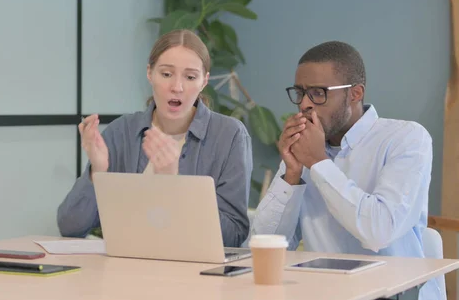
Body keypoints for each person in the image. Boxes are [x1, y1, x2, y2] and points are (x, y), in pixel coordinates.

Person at [250, 41, 438, 299]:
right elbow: (262, 246)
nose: (304, 104)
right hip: (325, 293)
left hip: (395, 293)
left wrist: (318, 164)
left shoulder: (406, 138)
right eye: (300, 92)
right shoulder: (305, 149)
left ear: (355, 93)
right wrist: (291, 174)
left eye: (318, 93)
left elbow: (378, 232)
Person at [57, 29, 253, 248]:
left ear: (204, 81)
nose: (177, 87)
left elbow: (233, 235)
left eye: (190, 77)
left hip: (195, 275)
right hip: (126, 270)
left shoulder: (230, 136)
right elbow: (69, 227)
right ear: (150, 73)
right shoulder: (120, 132)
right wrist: (98, 172)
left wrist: (174, 185)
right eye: (166, 74)